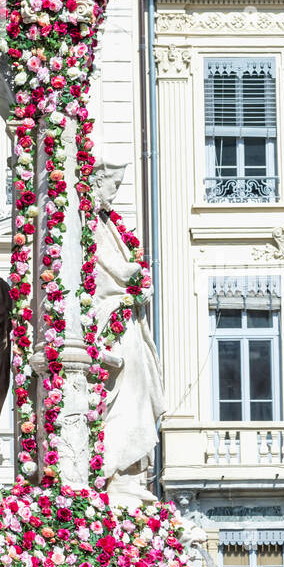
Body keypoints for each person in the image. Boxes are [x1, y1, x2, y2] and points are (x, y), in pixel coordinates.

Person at [92, 159, 166, 507]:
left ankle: (130, 472)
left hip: (127, 320)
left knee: (139, 390)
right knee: (126, 392)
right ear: (96, 182)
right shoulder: (90, 224)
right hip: (111, 322)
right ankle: (117, 472)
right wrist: (137, 276)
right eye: (113, 185)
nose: (115, 193)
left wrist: (140, 286)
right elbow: (118, 269)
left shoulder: (110, 224)